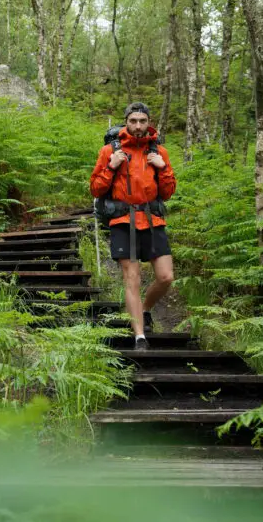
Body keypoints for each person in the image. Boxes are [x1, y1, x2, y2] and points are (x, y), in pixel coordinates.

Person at [89, 102, 177, 350]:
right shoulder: (109, 151)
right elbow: (96, 188)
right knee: (132, 278)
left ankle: (145, 309)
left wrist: (163, 168)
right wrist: (111, 166)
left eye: (143, 121)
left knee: (166, 276)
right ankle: (139, 337)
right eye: (133, 121)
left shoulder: (159, 151)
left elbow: (168, 193)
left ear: (149, 123)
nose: (138, 126)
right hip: (121, 221)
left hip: (152, 220)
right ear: (126, 122)